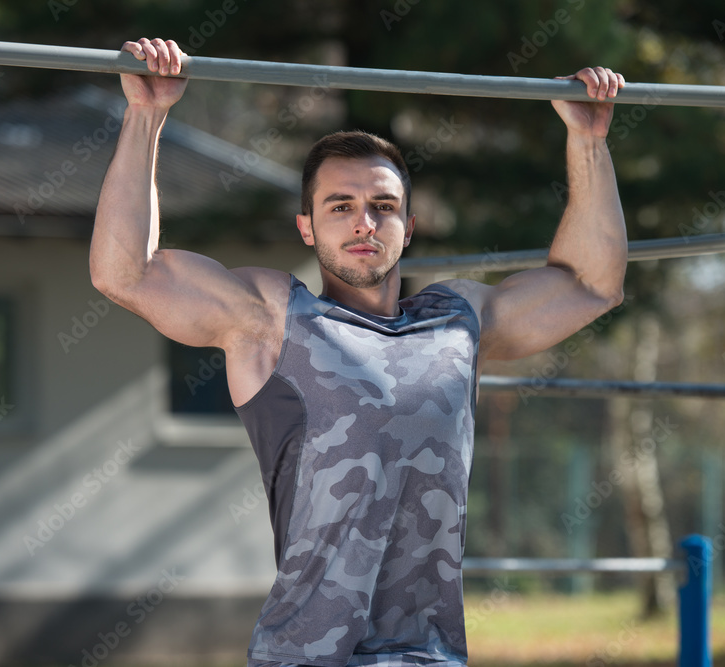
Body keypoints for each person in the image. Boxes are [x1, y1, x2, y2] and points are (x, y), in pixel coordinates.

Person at [90, 37, 627, 667]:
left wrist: (588, 142)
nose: (364, 223)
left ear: (409, 226)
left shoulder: (457, 322)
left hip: (428, 657)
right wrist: (146, 115)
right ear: (307, 227)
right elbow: (124, 273)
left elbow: (593, 283)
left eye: (383, 207)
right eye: (340, 206)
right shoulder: (273, 319)